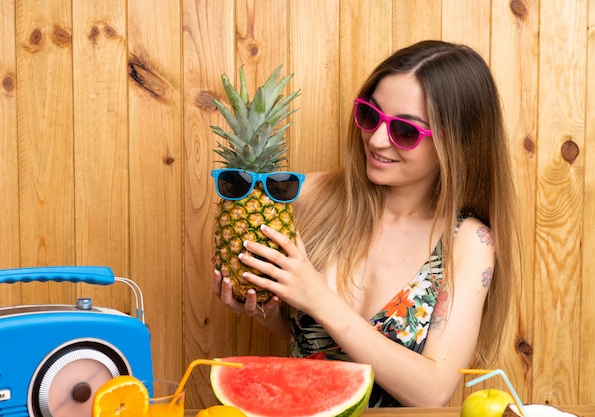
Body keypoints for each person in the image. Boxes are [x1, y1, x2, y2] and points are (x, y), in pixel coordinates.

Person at [212, 40, 518, 407]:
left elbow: (433, 391)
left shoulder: (470, 243)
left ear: (457, 142)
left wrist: (319, 299)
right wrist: (265, 307)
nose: (376, 139)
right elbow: (298, 334)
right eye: (370, 115)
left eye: (405, 130)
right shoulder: (305, 194)